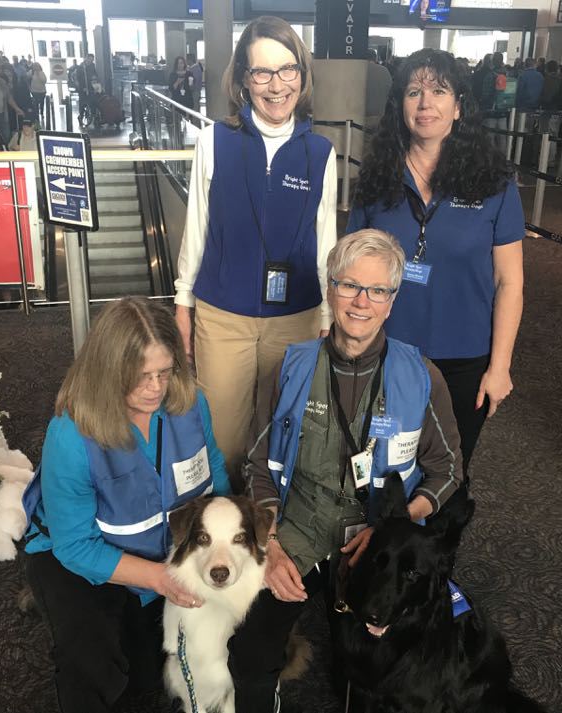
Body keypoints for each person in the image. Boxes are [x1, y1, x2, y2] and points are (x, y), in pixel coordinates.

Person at [229, 229, 464, 712]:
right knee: (250, 651)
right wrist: (269, 548)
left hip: (379, 539)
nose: (362, 302)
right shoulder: (290, 369)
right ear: (329, 288)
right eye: (349, 285)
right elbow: (257, 464)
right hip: (300, 526)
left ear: (392, 300)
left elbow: (446, 471)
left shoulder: (422, 377)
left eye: (378, 290)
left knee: (374, 673)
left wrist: (395, 525)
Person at [22, 297, 232, 713]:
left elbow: (216, 479)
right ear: (108, 372)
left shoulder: (191, 404)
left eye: (164, 372)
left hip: (164, 556)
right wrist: (158, 578)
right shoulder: (70, 433)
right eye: (141, 377)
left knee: (147, 676)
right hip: (80, 558)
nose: (156, 388)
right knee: (94, 662)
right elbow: (76, 546)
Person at [173, 15, 337, 491]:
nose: (276, 85)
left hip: (298, 318)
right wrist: (184, 302)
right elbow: (197, 229)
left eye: (287, 70)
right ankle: (220, 536)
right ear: (244, 80)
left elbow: (324, 238)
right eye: (261, 72)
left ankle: (273, 538)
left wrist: (327, 312)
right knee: (222, 443)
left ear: (302, 76)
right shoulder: (215, 141)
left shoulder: (320, 153)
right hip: (223, 317)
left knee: (283, 440)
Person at [347, 49, 523, 477]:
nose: (425, 103)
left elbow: (509, 283)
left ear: (459, 106)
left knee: (448, 473)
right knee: (379, 470)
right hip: (384, 352)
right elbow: (350, 275)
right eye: (414, 92)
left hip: (464, 359)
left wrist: (499, 368)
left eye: (439, 91)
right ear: (400, 106)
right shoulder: (375, 180)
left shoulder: (494, 183)